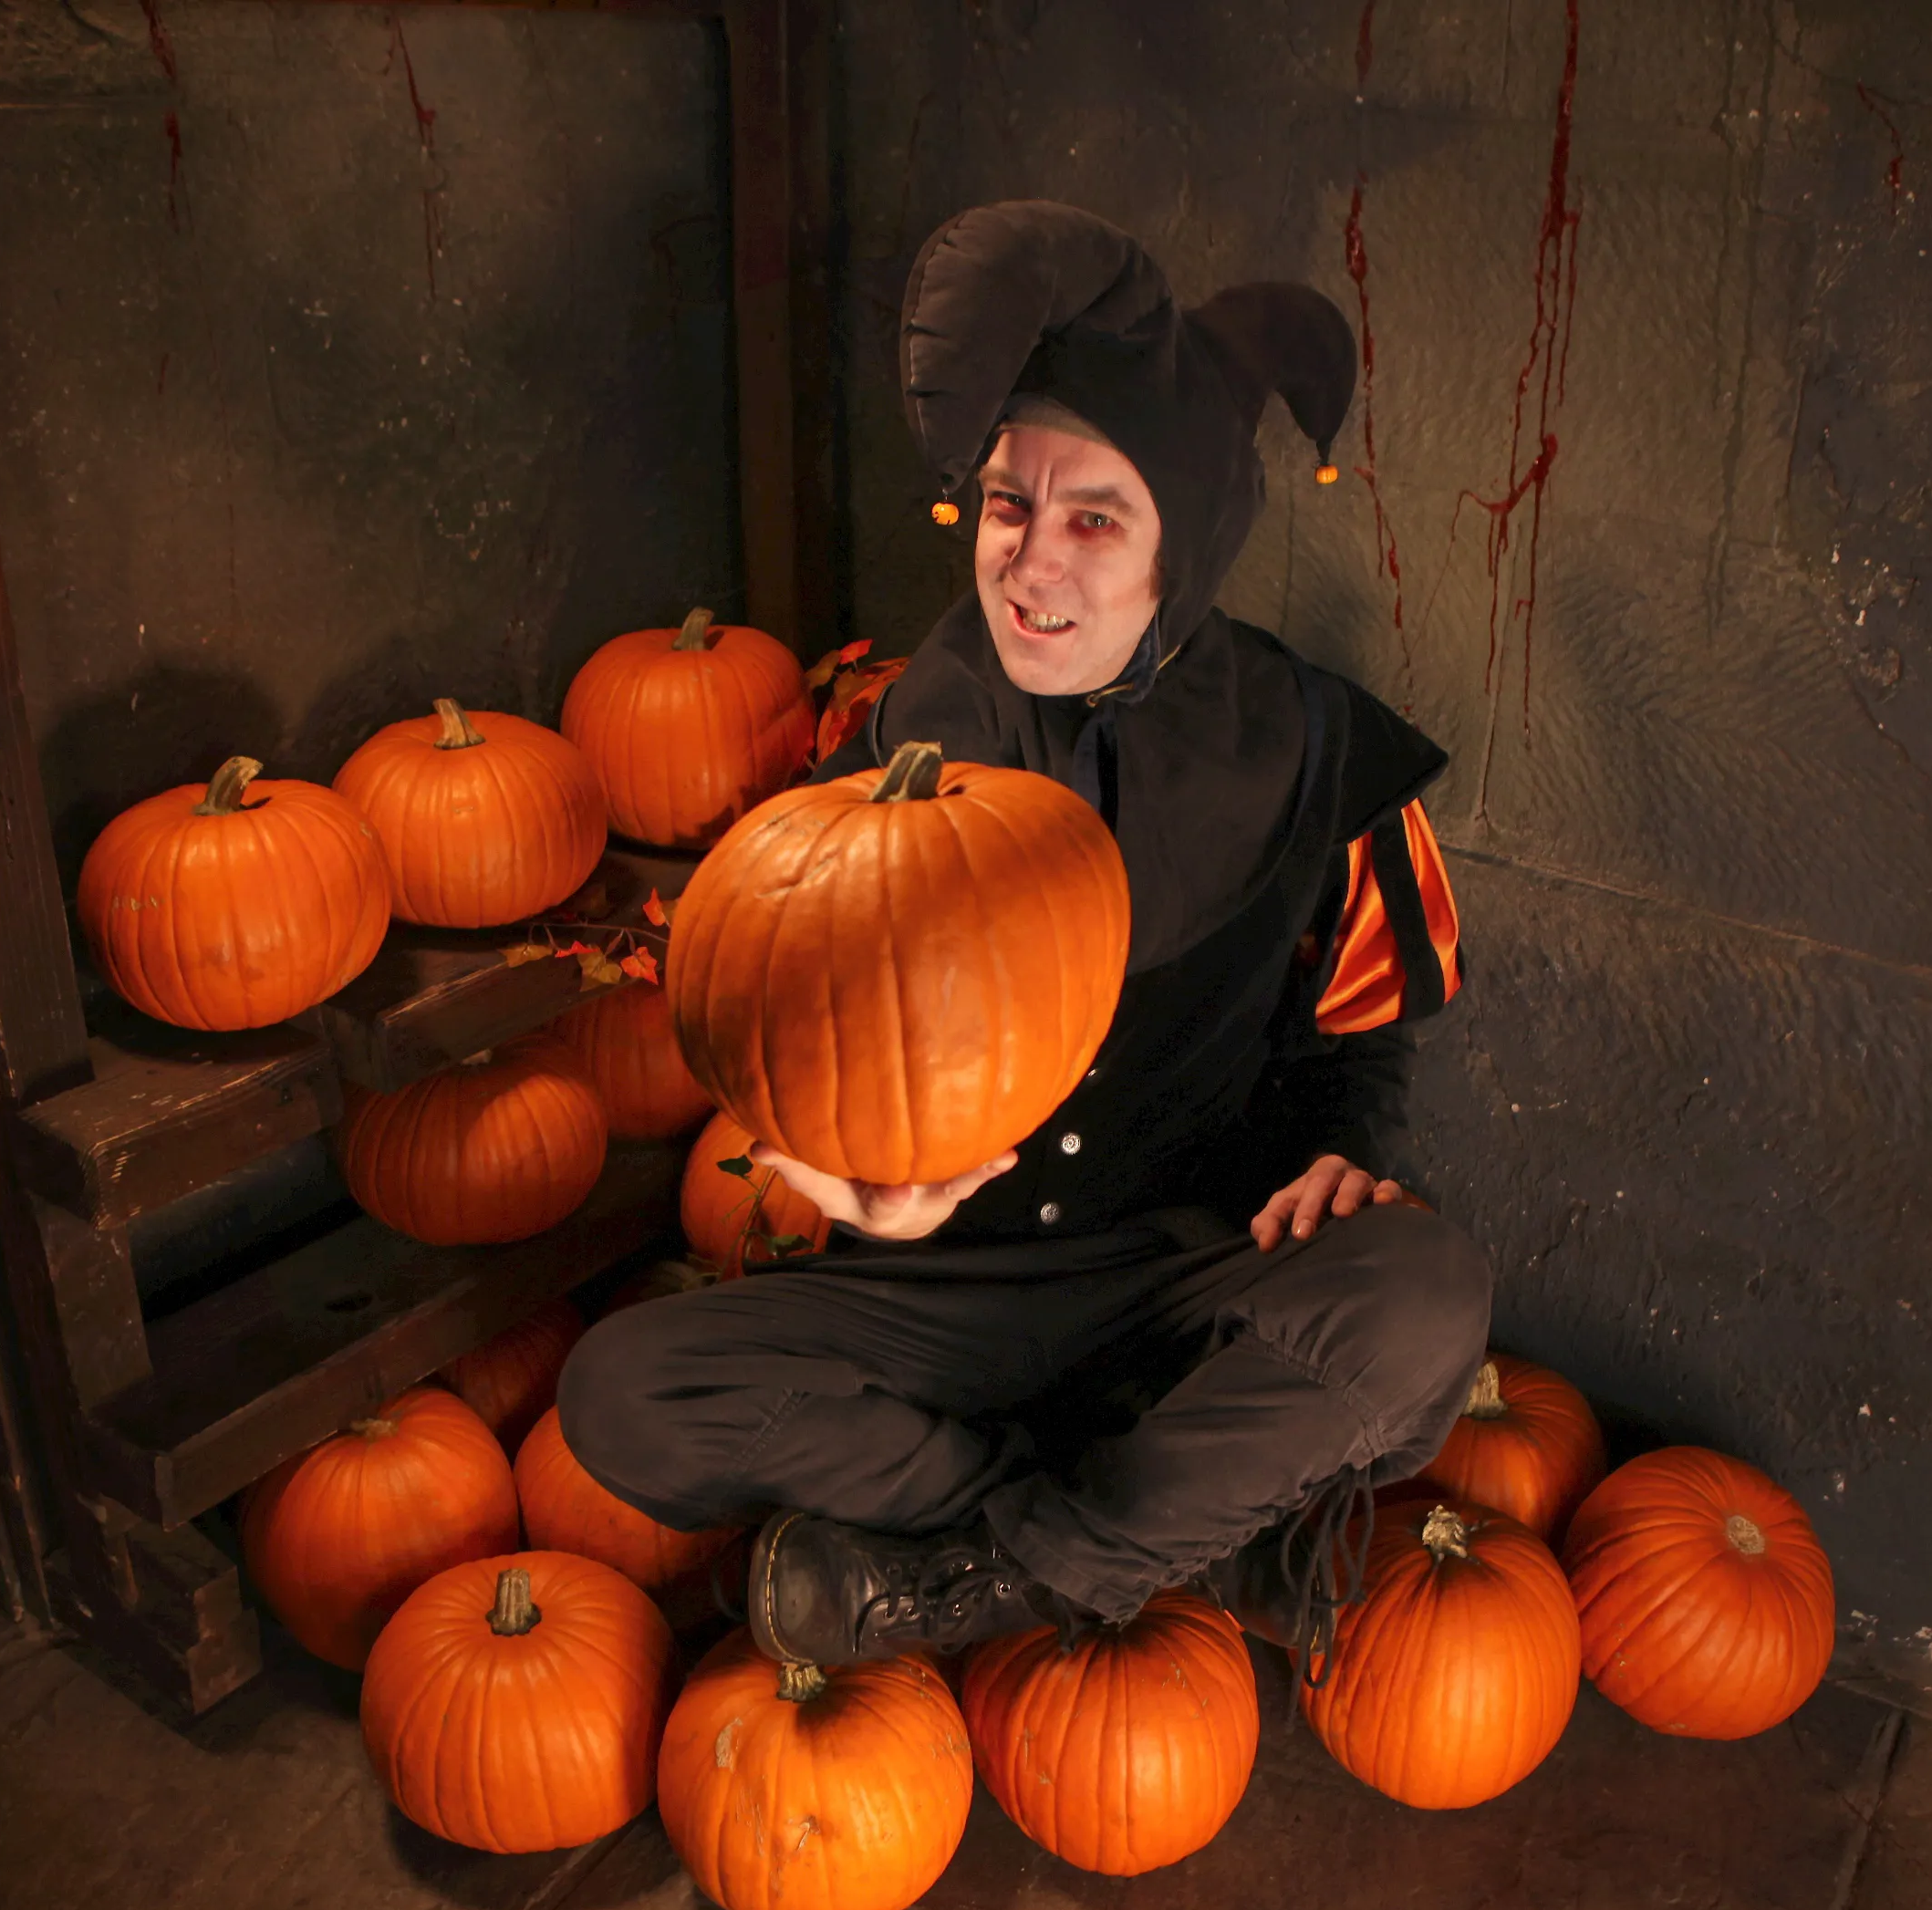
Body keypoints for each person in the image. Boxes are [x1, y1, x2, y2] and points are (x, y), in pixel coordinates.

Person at [559, 200, 1491, 1669]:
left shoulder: (1324, 760)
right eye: (1008, 504)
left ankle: (977, 1577)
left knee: (1424, 1293)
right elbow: (801, 1017)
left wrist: (1346, 1161)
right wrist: (852, 1180)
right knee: (622, 1394)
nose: (1028, 559)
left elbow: (1359, 1053)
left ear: (1180, 549)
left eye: (1091, 517)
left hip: (1191, 1276)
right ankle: (1138, 1531)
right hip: (948, 1288)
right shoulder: (899, 738)